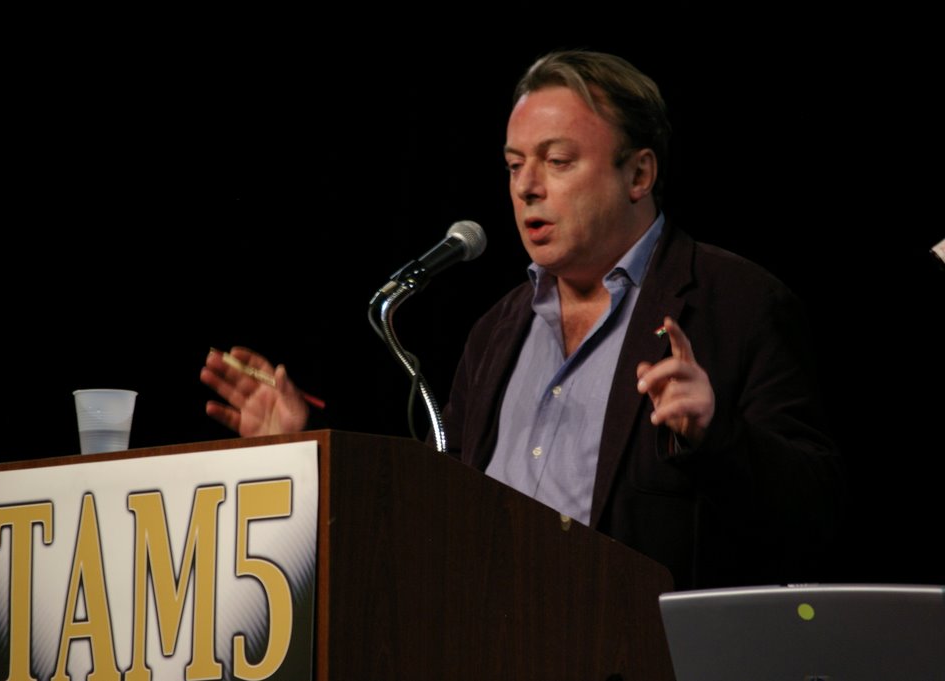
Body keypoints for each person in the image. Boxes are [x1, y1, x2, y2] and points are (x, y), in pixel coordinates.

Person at [201, 51, 843, 588]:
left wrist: (715, 435)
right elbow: (435, 516)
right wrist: (306, 449)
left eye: (557, 161)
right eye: (514, 165)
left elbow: (817, 517)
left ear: (639, 173)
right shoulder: (496, 332)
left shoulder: (738, 304)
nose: (526, 186)